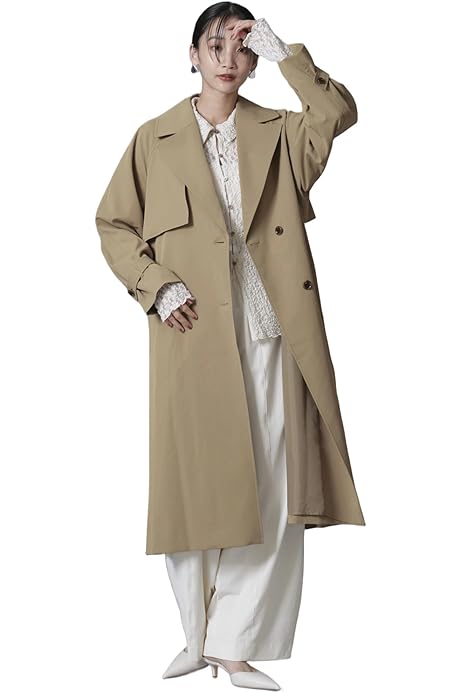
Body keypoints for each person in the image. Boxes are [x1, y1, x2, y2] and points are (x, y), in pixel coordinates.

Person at [95, 3, 364, 690]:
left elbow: (337, 112)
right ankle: (197, 634)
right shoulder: (153, 139)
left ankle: (235, 642)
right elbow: (114, 224)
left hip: (271, 326)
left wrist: (286, 54)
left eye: (242, 46)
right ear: (192, 54)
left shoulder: (282, 132)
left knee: (273, 481)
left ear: (253, 60)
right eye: (214, 43)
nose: (227, 57)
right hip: (189, 331)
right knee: (193, 481)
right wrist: (155, 285)